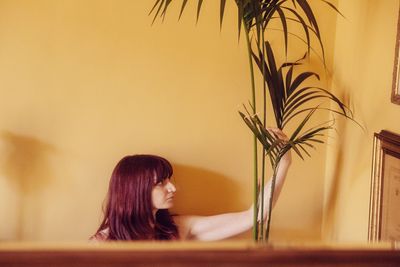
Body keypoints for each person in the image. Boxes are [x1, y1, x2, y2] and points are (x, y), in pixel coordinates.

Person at [91, 128, 291, 241]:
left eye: (169, 180)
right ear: (135, 190)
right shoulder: (102, 243)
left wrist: (284, 164)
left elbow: (253, 217)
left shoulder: (176, 229)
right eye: (160, 183)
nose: (173, 188)